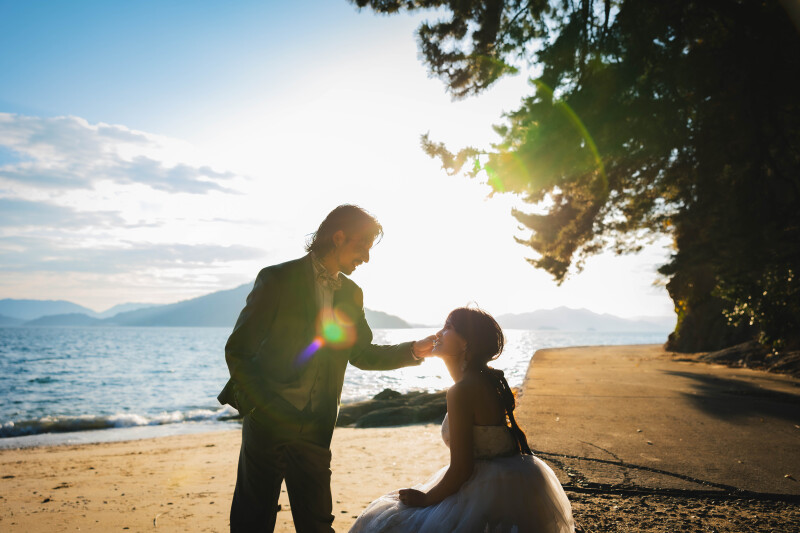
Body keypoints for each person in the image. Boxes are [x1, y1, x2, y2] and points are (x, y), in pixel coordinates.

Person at [218, 204, 435, 532]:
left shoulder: (351, 293)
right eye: (362, 246)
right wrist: (264, 407)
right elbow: (238, 351)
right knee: (253, 520)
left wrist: (414, 351)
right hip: (267, 424)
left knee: (317, 524)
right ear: (338, 237)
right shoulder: (277, 279)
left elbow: (362, 354)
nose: (366, 257)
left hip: (316, 427)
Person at [349, 307, 576, 533]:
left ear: (466, 343)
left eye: (448, 327)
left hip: (482, 489)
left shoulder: (462, 390)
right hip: (507, 482)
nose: (438, 333)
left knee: (379, 524)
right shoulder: (482, 382)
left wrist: (426, 499)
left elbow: (462, 469)